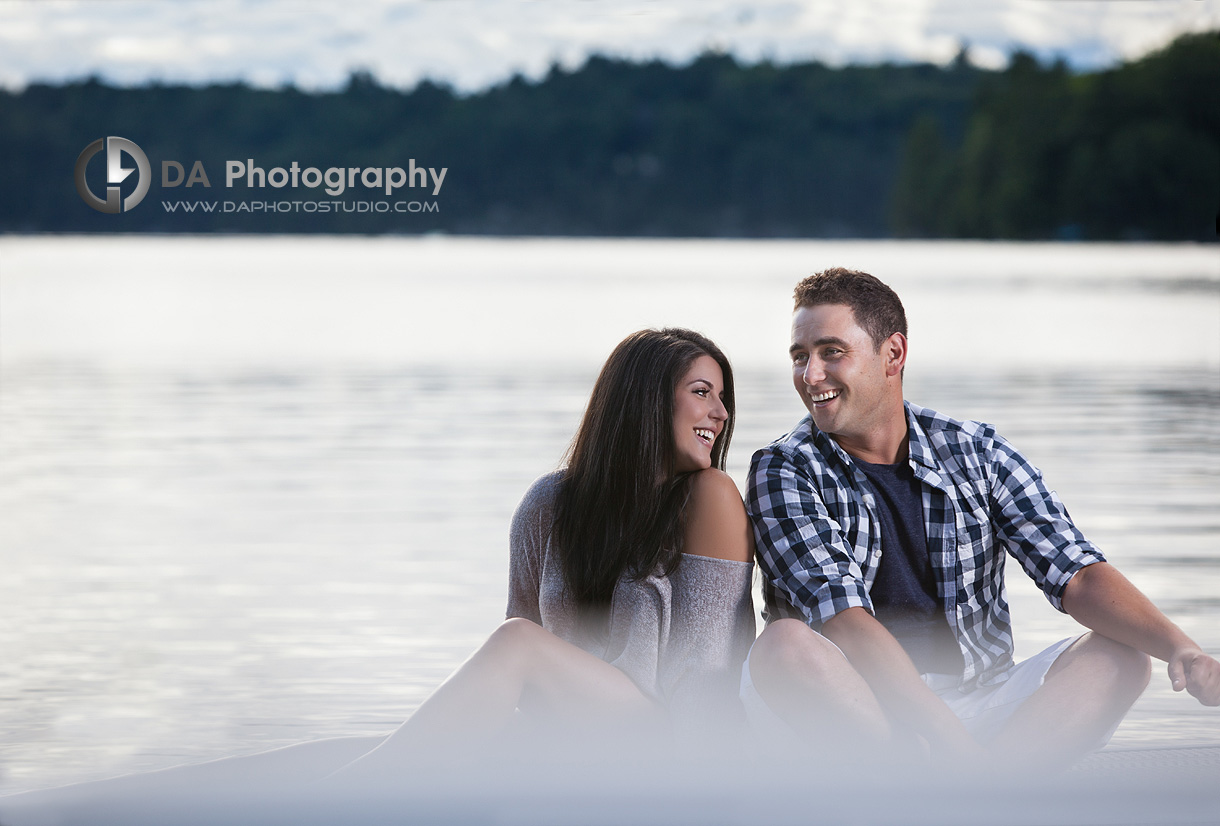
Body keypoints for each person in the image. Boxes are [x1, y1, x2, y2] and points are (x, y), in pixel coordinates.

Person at [740, 267, 1220, 769]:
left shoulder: (976, 450)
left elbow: (1075, 573)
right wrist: (958, 749)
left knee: (1123, 656)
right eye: (800, 357)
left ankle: (975, 789)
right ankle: (971, 786)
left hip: (975, 703)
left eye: (831, 352)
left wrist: (1182, 650)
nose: (810, 375)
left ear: (893, 354)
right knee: (785, 644)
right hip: (849, 708)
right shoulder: (784, 468)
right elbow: (844, 622)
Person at [332, 326, 756, 780]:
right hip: (571, 734)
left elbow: (707, 677)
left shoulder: (710, 498)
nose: (721, 413)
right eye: (702, 392)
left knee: (516, 644)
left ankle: (337, 802)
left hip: (671, 741)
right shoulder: (548, 504)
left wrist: (693, 784)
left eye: (722, 397)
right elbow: (522, 671)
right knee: (359, 749)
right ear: (645, 400)